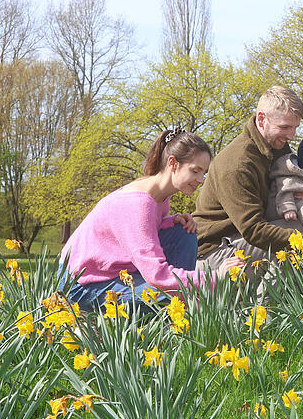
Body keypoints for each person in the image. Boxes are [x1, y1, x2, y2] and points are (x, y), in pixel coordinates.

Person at [60, 128, 243, 311]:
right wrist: (214, 277)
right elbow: (156, 274)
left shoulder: (160, 196)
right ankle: (182, 307)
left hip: (112, 271)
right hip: (81, 284)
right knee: (166, 297)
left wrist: (169, 222)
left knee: (183, 233)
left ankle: (183, 305)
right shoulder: (138, 204)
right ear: (173, 163)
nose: (201, 180)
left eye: (203, 173)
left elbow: (135, 232)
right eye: (195, 171)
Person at [193, 86, 303, 279]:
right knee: (298, 237)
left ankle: (281, 295)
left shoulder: (277, 147)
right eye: (285, 127)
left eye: (295, 128)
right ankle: (266, 300)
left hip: (246, 240)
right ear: (262, 119)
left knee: (300, 228)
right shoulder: (237, 164)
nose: (291, 136)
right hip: (215, 252)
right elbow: (254, 231)